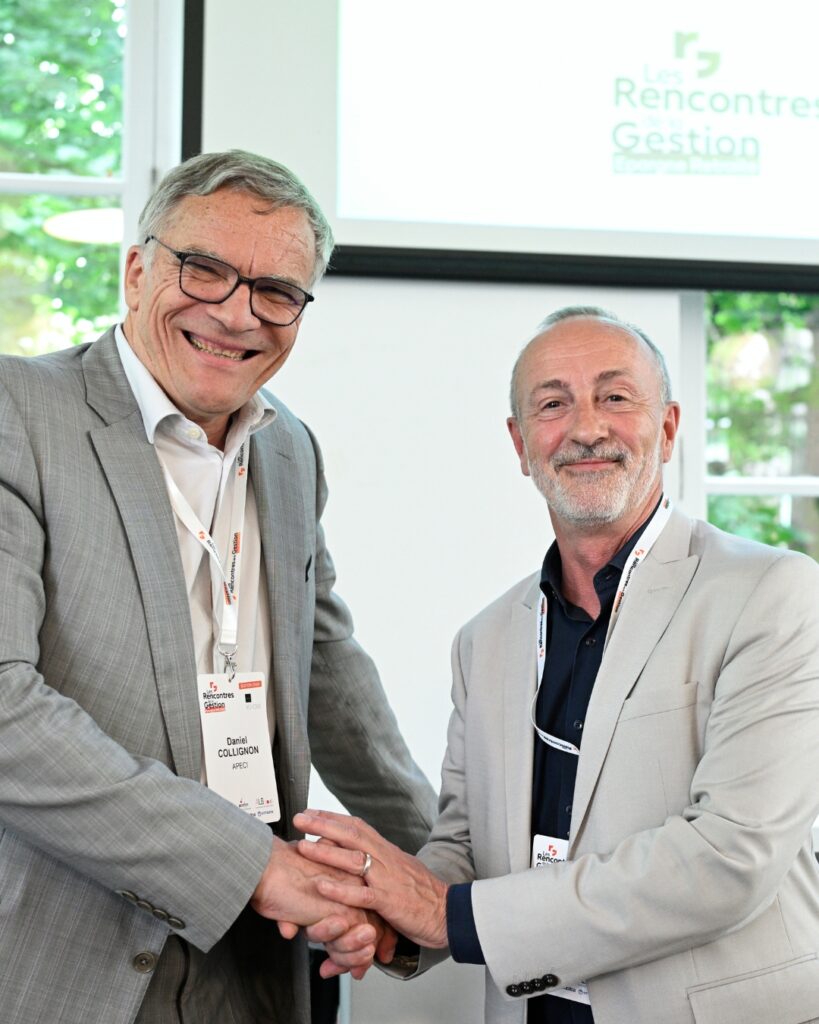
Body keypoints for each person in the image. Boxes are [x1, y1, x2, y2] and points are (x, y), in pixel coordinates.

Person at [0, 149, 436, 1024]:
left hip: (256, 966)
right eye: (204, 269)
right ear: (136, 272)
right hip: (62, 959)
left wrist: (434, 884)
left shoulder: (289, 448)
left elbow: (329, 674)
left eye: (276, 290)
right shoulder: (19, 411)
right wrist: (253, 867)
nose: (237, 313)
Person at [293, 307, 819, 1023]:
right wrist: (387, 921)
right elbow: (464, 846)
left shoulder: (770, 593)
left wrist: (447, 916)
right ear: (519, 444)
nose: (585, 428)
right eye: (552, 405)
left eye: (614, 397)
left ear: (667, 429)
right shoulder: (484, 641)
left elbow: (729, 859)